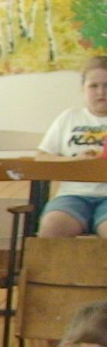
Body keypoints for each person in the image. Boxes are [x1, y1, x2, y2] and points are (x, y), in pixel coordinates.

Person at [36, 55, 107, 238]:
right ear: (83, 89)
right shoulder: (69, 118)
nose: (101, 92)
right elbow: (41, 157)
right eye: (93, 86)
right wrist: (74, 161)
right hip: (72, 196)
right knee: (52, 227)